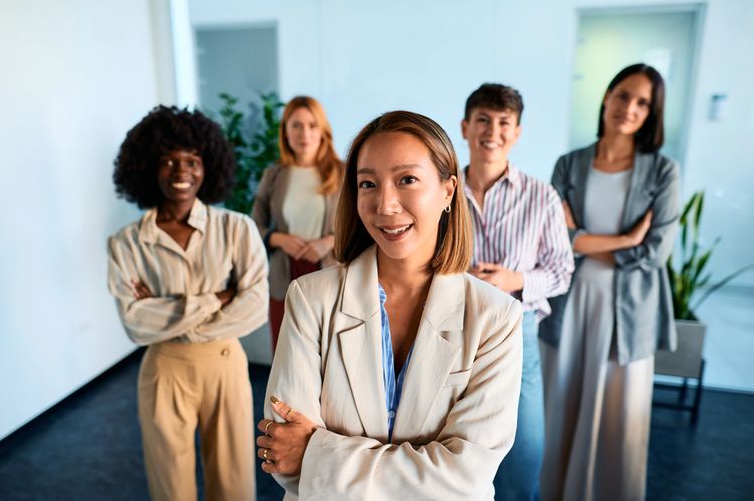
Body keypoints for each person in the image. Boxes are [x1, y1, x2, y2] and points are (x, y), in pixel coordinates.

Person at [255, 110, 523, 500]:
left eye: (407, 179)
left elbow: (466, 478)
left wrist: (317, 455)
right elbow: (284, 457)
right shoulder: (310, 298)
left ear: (448, 191)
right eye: (368, 183)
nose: (386, 204)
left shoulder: (496, 317)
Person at [107, 106, 268, 501]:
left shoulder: (236, 228)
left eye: (192, 161)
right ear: (148, 167)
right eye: (169, 161)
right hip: (164, 370)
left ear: (208, 166)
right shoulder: (126, 243)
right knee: (169, 486)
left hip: (225, 364)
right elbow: (136, 323)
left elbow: (256, 304)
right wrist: (216, 298)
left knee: (234, 484)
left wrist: (171, 312)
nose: (182, 171)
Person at [539, 64, 680, 501]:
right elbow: (551, 238)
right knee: (557, 405)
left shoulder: (662, 172)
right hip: (568, 305)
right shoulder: (569, 164)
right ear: (606, 97)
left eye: (642, 103)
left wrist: (580, 239)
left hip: (627, 313)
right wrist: (622, 238)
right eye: (623, 96)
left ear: (652, 113)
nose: (629, 109)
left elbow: (653, 252)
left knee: (619, 418)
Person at [461, 83, 574, 500]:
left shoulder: (543, 196)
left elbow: (563, 271)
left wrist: (515, 280)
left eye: (504, 122)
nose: (493, 131)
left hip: (517, 330)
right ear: (465, 127)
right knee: (454, 446)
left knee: (525, 447)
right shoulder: (441, 190)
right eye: (484, 120)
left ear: (517, 132)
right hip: (452, 328)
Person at [251, 95, 343, 353]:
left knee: (328, 357)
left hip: (328, 272)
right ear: (285, 131)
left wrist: (329, 241)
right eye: (296, 125)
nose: (305, 133)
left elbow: (363, 225)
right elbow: (251, 228)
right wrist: (279, 239)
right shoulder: (273, 176)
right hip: (285, 276)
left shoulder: (343, 172)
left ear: (323, 130)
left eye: (312, 125)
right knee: (287, 358)